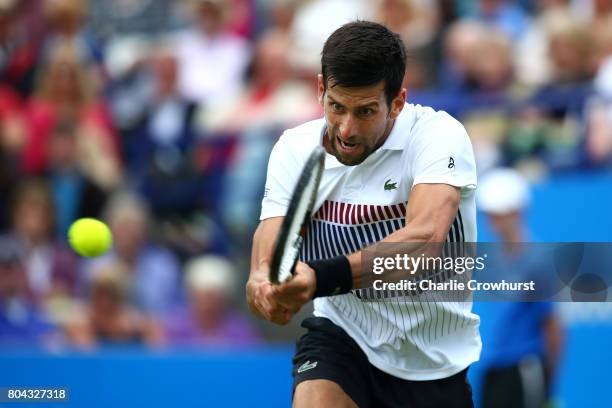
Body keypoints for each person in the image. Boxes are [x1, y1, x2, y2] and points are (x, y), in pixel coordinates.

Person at [247, 21, 480, 408]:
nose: (347, 129)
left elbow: (424, 241)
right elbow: (273, 232)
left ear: (398, 101)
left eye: (366, 111)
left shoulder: (439, 136)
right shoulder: (295, 148)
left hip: (434, 363)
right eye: (336, 107)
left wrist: (321, 277)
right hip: (342, 337)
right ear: (321, 89)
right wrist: (263, 279)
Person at [475, 168, 563, 408]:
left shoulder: (538, 260)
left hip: (525, 370)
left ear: (516, 212)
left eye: (498, 214)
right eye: (489, 214)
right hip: (492, 371)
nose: (492, 221)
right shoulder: (492, 259)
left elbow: (553, 328)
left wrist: (546, 384)